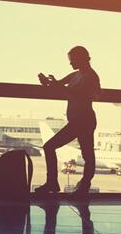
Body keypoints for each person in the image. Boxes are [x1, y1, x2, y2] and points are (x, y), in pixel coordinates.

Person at [36, 46, 100, 198]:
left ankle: (56, 183)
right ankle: (83, 185)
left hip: (82, 121)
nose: (70, 64)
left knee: (53, 147)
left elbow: (72, 93)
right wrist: (49, 83)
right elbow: (60, 86)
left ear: (81, 58)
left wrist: (54, 85)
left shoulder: (89, 77)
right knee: (87, 155)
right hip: (80, 121)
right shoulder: (78, 75)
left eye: (72, 60)